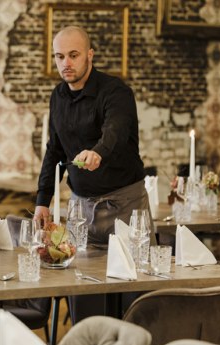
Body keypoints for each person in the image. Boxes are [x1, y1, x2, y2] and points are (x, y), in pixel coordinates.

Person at [34, 25, 152, 323]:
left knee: (133, 295)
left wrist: (98, 151)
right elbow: (54, 151)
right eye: (59, 57)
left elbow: (116, 128)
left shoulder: (116, 91)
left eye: (73, 55)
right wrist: (42, 200)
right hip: (81, 208)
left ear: (90, 54)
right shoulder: (58, 96)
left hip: (125, 206)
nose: (66, 64)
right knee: (83, 291)